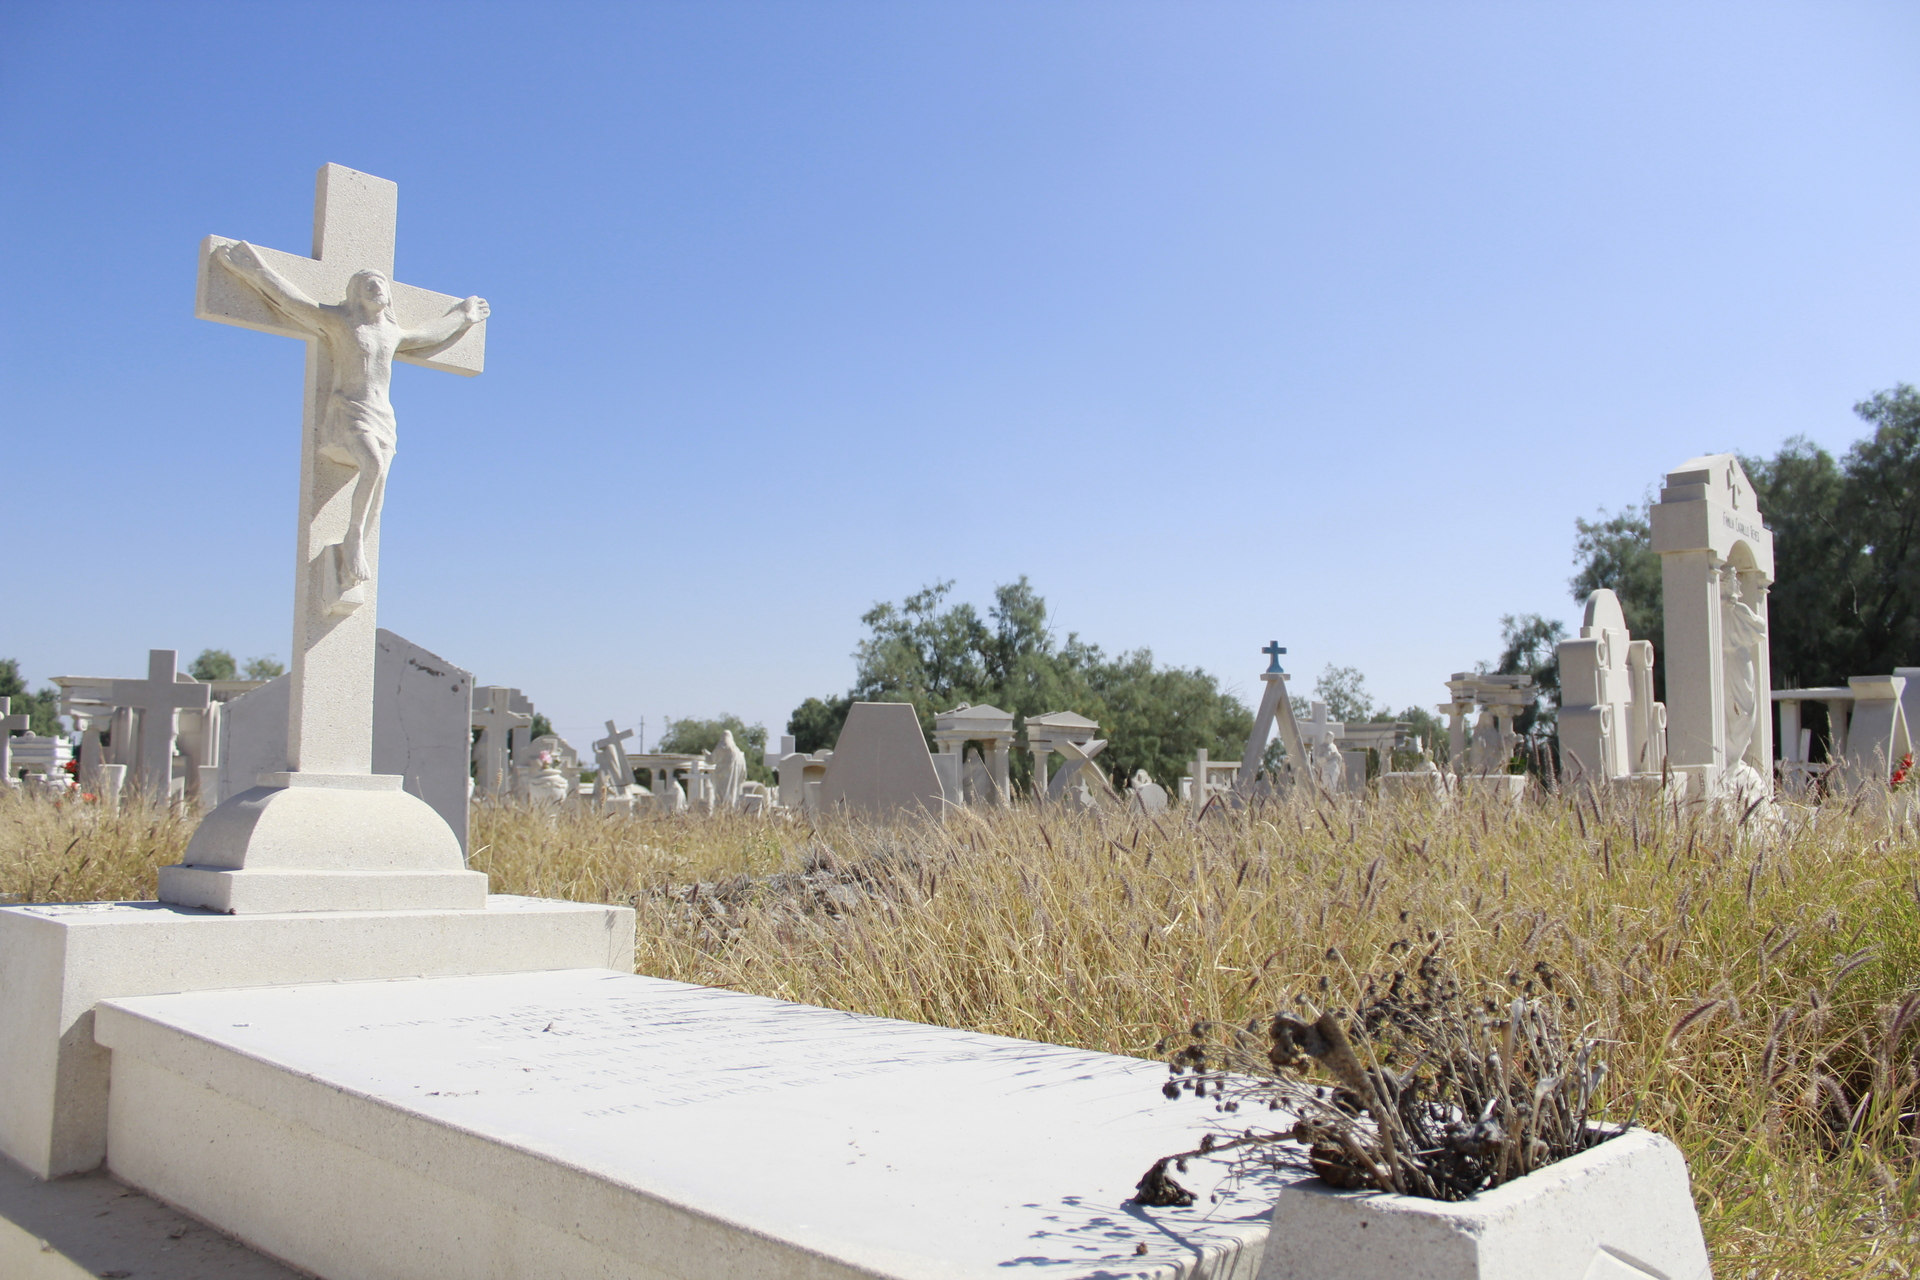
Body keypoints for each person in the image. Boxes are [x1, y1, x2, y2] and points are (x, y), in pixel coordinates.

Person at [214, 241, 488, 611]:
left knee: (381, 482)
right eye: (368, 285)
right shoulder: (340, 322)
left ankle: (356, 547)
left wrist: (464, 316)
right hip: (349, 411)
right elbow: (294, 302)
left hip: (382, 414)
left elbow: (431, 333)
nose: (377, 289)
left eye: (380, 285)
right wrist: (255, 271)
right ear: (355, 295)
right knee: (372, 466)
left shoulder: (392, 334)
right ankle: (354, 536)